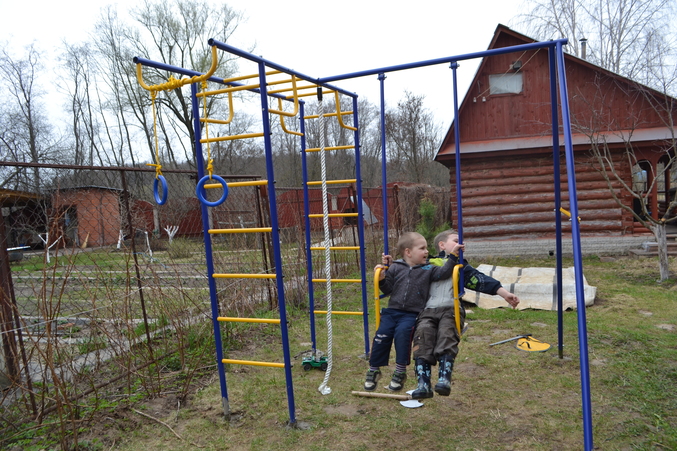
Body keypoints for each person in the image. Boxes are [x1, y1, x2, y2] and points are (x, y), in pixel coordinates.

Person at [409, 229, 520, 399]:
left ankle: (444, 379)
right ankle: (423, 384)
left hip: (450, 309)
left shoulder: (461, 266)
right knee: (422, 337)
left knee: (447, 336)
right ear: (442, 245)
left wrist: (504, 294)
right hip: (427, 310)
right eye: (456, 240)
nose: (461, 244)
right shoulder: (425, 263)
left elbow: (480, 280)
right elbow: (405, 272)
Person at [365, 232, 456, 392]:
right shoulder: (396, 267)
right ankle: (374, 369)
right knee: (381, 337)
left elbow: (444, 272)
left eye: (426, 248)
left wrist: (454, 256)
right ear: (408, 252)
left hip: (411, 314)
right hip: (391, 312)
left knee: (403, 336)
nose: (426, 251)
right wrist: (382, 278)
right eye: (422, 248)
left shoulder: (428, 269)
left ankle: (400, 372)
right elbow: (388, 289)